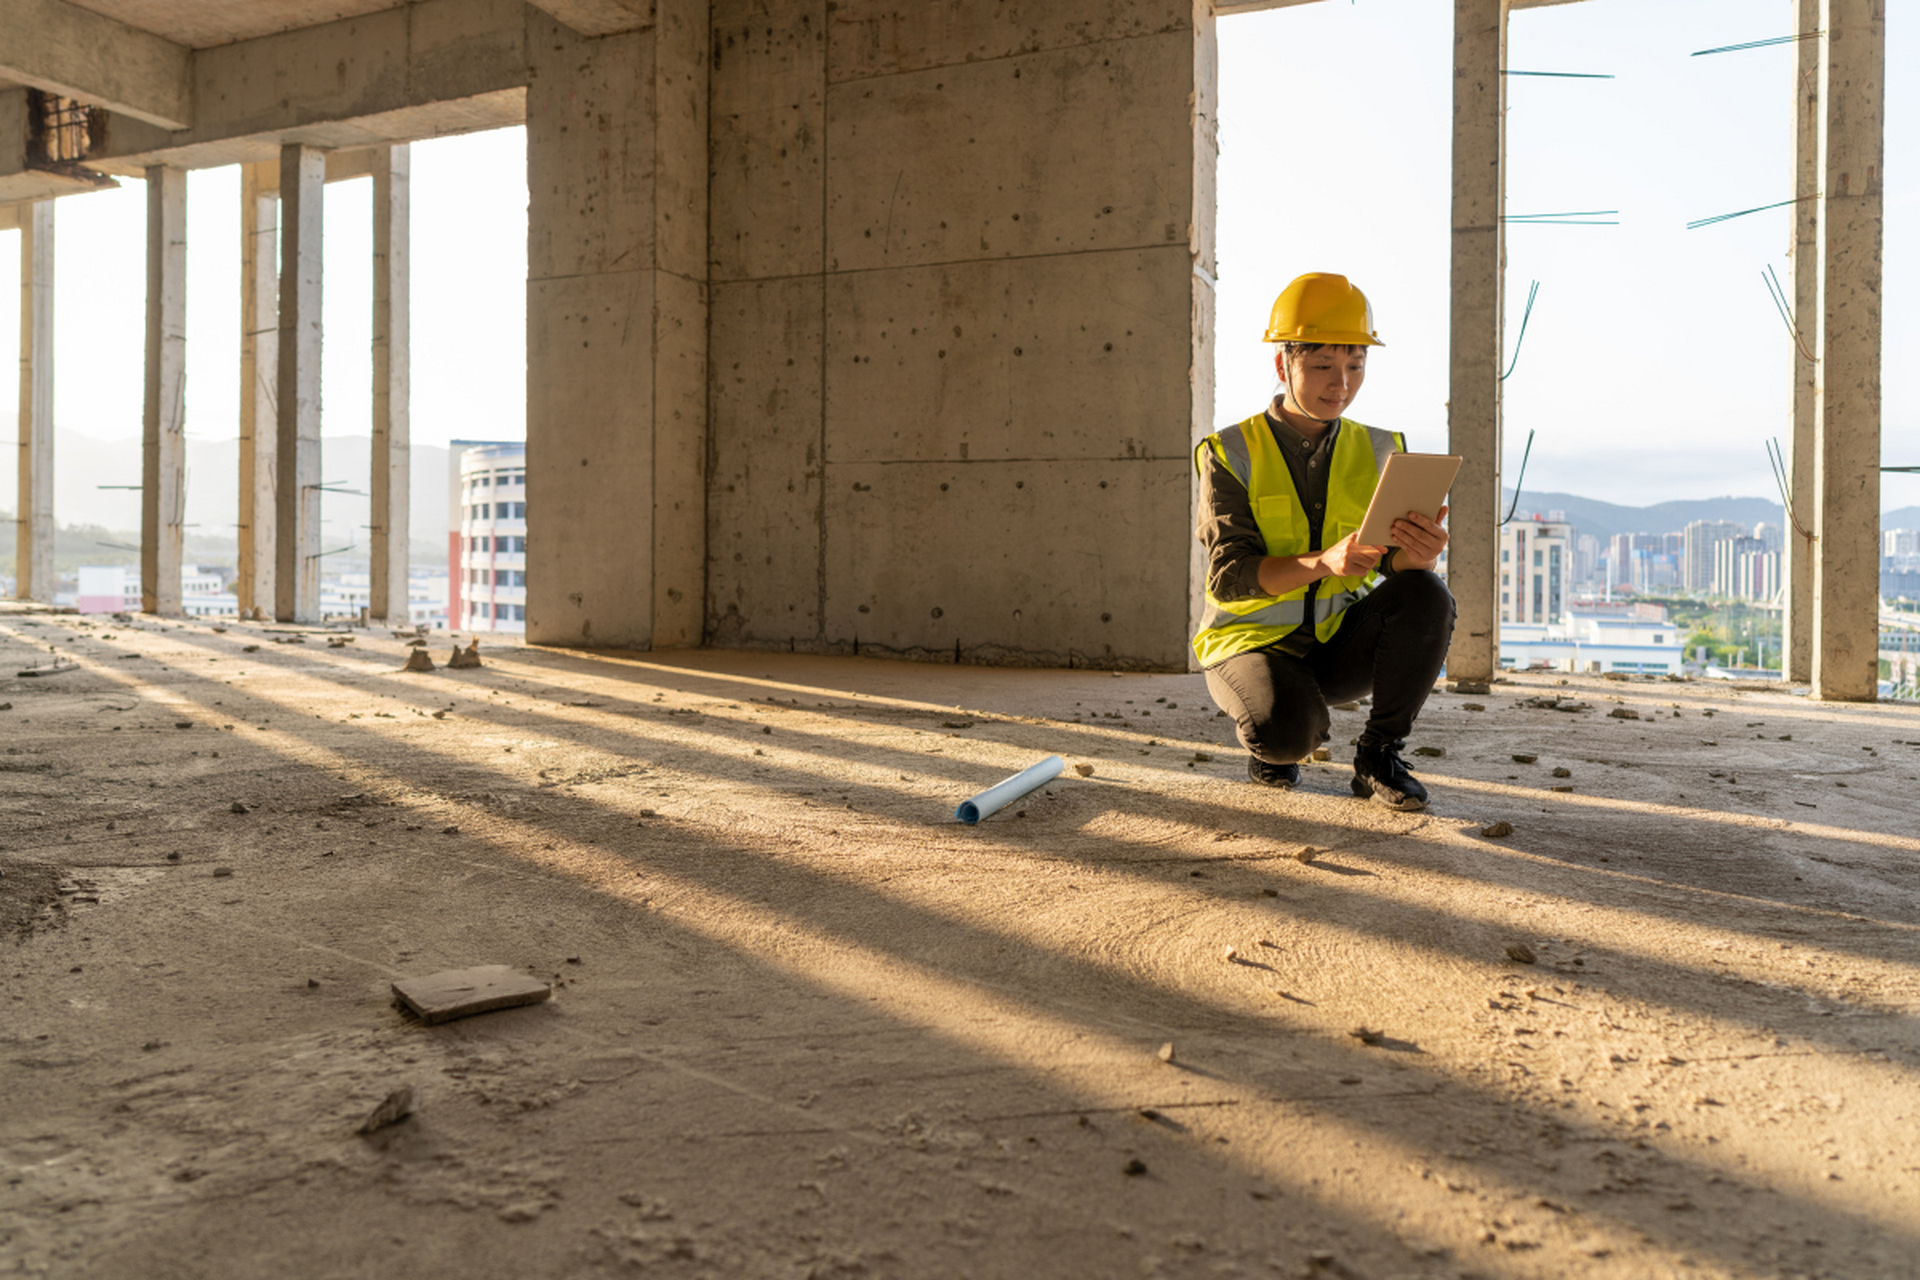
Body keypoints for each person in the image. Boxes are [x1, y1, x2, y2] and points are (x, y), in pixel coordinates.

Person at [1192, 273, 1455, 811]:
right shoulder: (1231, 451)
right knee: (1285, 736)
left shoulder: (1380, 448)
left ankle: (1379, 754)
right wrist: (1322, 562)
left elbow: (1391, 564)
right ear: (1282, 364)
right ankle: (1274, 736)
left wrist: (1418, 554)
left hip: (1337, 645)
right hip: (1250, 644)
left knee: (1428, 591)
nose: (1341, 384)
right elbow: (1230, 577)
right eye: (1322, 367)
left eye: (1355, 366)